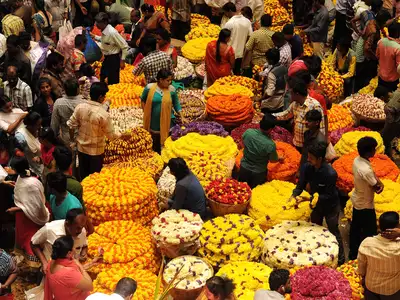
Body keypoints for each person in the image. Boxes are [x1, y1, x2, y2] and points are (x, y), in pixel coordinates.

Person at [291, 142, 345, 264]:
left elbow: (329, 195)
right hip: (315, 205)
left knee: (333, 230)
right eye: (308, 157)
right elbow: (301, 185)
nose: (308, 160)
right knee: (315, 228)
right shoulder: (306, 167)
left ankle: (341, 258)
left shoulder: (330, 174)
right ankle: (318, 257)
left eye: (311, 158)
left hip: (330, 205)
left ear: (320, 159)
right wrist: (294, 195)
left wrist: (308, 199)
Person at [67, 82, 126, 180]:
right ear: (100, 97)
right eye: (104, 96)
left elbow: (70, 125)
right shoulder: (103, 115)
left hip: (82, 149)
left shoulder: (80, 107)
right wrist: (123, 135)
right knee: (95, 179)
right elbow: (111, 136)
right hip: (96, 152)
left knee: (84, 176)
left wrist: (72, 141)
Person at [6, 156, 50, 267]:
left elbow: (35, 206)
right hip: (23, 217)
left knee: (31, 240)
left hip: (31, 219)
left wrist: (17, 209)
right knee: (24, 238)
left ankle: (36, 266)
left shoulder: (30, 184)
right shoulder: (26, 178)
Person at [349, 137, 384, 260]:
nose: (375, 151)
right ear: (369, 152)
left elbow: (373, 175)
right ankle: (366, 255)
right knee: (370, 231)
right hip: (365, 204)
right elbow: (377, 187)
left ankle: (353, 253)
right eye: (374, 149)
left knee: (356, 227)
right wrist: (381, 186)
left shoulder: (357, 160)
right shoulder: (365, 170)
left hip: (358, 199)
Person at [273, 76, 325, 149]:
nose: (290, 96)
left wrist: (319, 145)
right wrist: (270, 115)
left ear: (297, 94)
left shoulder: (314, 105)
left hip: (309, 145)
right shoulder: (295, 104)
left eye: (291, 93)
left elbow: (322, 127)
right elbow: (286, 113)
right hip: (297, 143)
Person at [357, 211, 400, 299]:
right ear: (396, 228)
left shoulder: (367, 243)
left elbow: (361, 269)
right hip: (391, 289)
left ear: (379, 226)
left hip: (371, 286)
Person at [31, 208, 88, 273]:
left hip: (73, 273)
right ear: (67, 224)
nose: (80, 231)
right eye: (77, 228)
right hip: (50, 271)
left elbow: (84, 245)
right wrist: (44, 262)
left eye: (82, 227)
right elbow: (33, 243)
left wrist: (84, 252)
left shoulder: (82, 231)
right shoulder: (49, 229)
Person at [140, 69, 184, 152]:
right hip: (153, 123)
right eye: (168, 80)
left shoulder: (172, 90)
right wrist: (145, 112)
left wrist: (182, 116)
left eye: (171, 80)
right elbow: (143, 100)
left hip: (167, 123)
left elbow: (176, 103)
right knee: (154, 144)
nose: (170, 82)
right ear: (160, 80)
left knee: (166, 145)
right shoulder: (149, 88)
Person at [44, 235, 93, 300]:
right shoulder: (67, 273)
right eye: (74, 247)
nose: (75, 249)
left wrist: (91, 263)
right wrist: (79, 265)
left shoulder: (51, 262)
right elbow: (89, 286)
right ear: (69, 253)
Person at [238, 114, 279, 188]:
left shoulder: (248, 132)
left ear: (260, 123)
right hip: (258, 173)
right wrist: (280, 158)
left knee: (241, 189)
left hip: (244, 168)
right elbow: (273, 160)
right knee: (254, 191)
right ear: (270, 129)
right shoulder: (270, 144)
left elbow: (241, 144)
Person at [94, 13, 128, 85]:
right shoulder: (104, 30)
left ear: (105, 22)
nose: (96, 24)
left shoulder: (112, 32)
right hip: (107, 58)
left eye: (98, 22)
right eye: (96, 22)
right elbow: (105, 40)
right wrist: (94, 37)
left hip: (113, 59)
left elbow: (124, 46)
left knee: (113, 81)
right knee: (102, 76)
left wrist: (122, 60)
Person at [51, 78, 84, 145]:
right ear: (78, 89)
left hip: (66, 139)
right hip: (82, 139)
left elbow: (54, 125)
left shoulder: (58, 102)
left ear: (65, 90)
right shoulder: (84, 103)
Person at [222, 2, 253, 75]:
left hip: (230, 53)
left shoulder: (229, 23)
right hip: (241, 53)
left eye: (225, 13)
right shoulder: (247, 21)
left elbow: (223, 38)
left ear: (229, 11)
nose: (225, 15)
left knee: (229, 75)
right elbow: (250, 36)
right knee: (237, 74)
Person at [15, 111, 44, 177]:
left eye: (40, 124)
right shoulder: (21, 137)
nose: (40, 126)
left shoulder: (40, 130)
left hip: (45, 161)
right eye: (38, 125)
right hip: (34, 168)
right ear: (30, 125)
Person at [259, 48, 288, 113]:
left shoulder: (272, 74)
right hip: (281, 101)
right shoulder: (284, 68)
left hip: (271, 104)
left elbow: (269, 93)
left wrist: (260, 99)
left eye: (267, 59)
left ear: (271, 60)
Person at [376, 22, 400, 92]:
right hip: (392, 80)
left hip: (381, 77)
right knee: (390, 99)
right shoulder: (398, 48)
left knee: (380, 98)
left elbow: (377, 56)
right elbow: (399, 68)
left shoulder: (380, 42)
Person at [382, 89, 400, 157]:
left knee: (386, 138)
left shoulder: (397, 94)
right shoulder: (397, 94)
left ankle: (388, 155)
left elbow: (391, 111)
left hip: (394, 123)